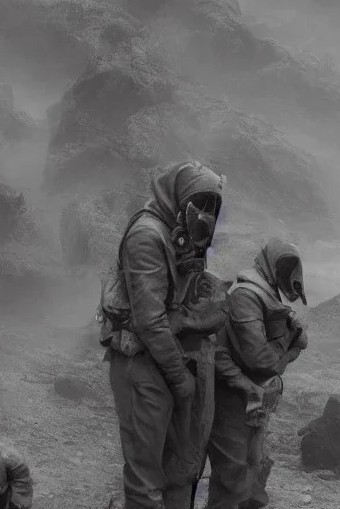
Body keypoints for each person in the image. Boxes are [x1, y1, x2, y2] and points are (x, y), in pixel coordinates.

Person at [99, 160, 231, 509]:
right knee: (146, 476)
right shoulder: (147, 235)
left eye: (211, 206)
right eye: (199, 203)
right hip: (141, 362)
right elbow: (150, 321)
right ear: (179, 196)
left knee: (178, 468)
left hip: (164, 357)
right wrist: (179, 378)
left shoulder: (176, 231)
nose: (205, 214)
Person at [206, 238, 309, 509]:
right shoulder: (246, 296)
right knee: (232, 476)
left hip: (254, 398)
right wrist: (291, 338)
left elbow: (277, 356)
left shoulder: (266, 295)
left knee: (254, 470)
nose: (288, 274)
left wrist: (288, 346)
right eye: (284, 266)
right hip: (232, 398)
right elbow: (261, 360)